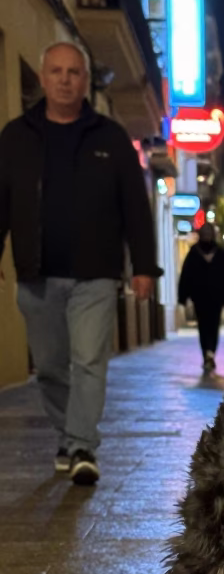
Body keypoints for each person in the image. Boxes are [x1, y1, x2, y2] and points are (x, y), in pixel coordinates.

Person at [0, 41, 159, 486]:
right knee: (50, 366)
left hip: (96, 272)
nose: (65, 80)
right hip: (36, 272)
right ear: (45, 77)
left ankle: (83, 446)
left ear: (85, 82)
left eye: (74, 72)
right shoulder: (16, 136)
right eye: (57, 72)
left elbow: (135, 208)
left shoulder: (110, 138)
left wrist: (144, 266)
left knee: (89, 360)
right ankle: (68, 436)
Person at [177, 223, 224, 372]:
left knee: (211, 325)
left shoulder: (220, 254)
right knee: (205, 326)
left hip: (215, 297)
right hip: (201, 297)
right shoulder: (195, 253)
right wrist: (182, 296)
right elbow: (186, 275)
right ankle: (207, 354)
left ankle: (209, 353)